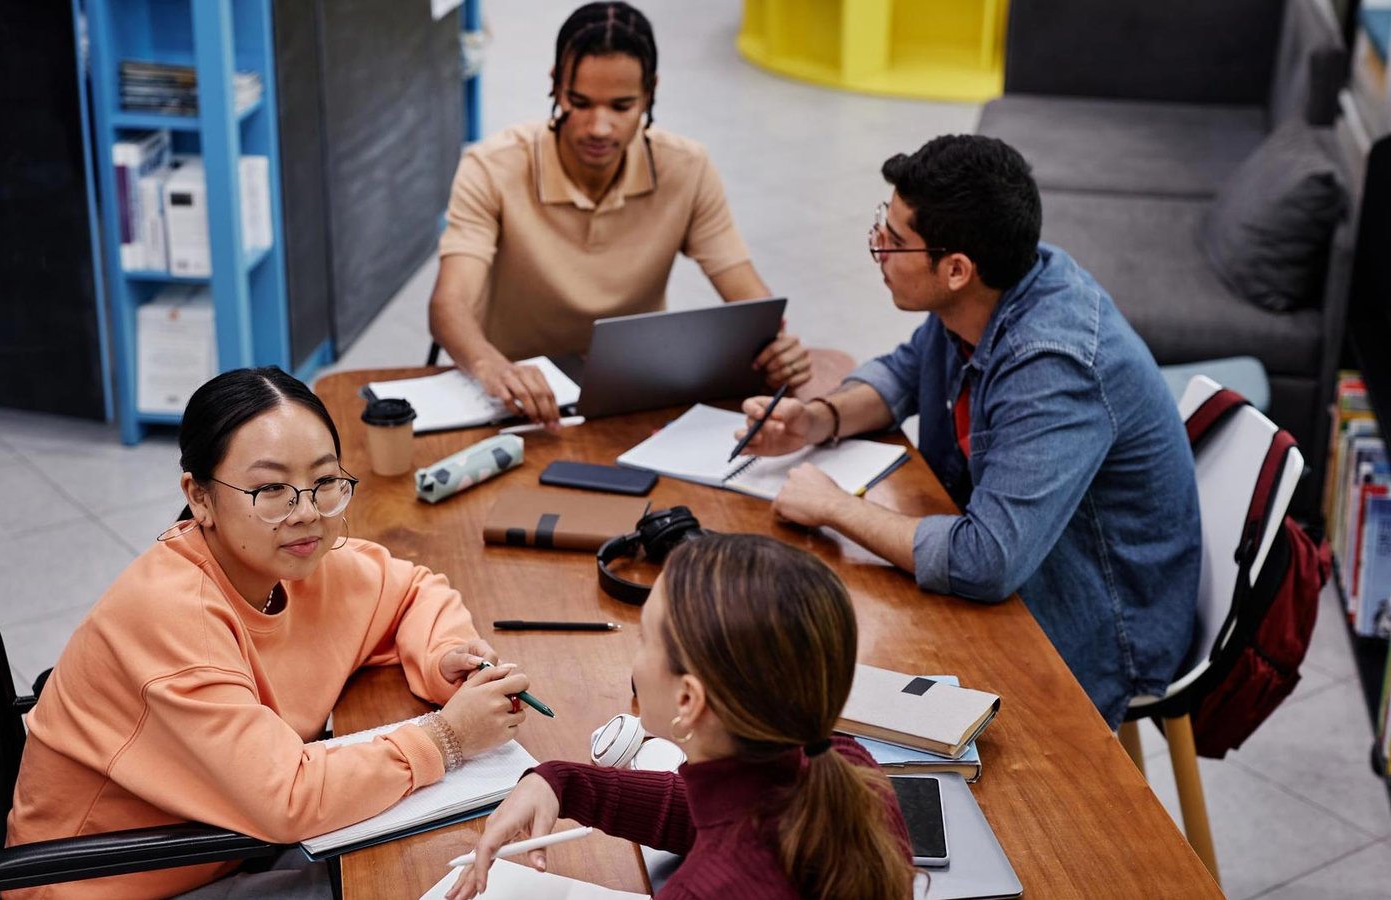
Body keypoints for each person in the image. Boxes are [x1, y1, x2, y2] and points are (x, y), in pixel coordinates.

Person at [5, 367, 533, 899]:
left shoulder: (285, 559)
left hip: (227, 842)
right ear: (200, 497)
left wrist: (443, 657)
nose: (306, 514)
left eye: (325, 483)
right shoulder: (172, 616)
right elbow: (289, 800)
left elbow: (413, 590)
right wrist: (446, 739)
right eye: (271, 489)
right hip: (111, 885)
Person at [739, 135, 1201, 729]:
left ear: (956, 270)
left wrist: (836, 507)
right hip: (1030, 572)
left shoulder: (1053, 365)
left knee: (823, 666)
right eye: (884, 222)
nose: (877, 245)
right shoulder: (1002, 278)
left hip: (1094, 625)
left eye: (896, 239)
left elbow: (986, 561)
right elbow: (907, 370)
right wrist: (818, 419)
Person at [447, 534, 915, 900]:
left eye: (645, 639)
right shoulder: (849, 768)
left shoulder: (705, 889)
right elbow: (711, 816)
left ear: (688, 700)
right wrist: (560, 784)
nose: (635, 655)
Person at [429, 1, 812, 428]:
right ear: (555, 88)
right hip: (517, 399)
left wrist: (778, 349)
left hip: (633, 394)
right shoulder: (491, 167)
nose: (599, 127)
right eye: (580, 102)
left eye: (622, 106)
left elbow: (750, 299)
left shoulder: (686, 167)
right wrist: (493, 369)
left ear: (651, 92)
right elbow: (450, 303)